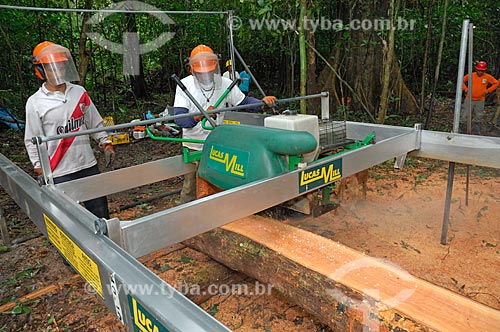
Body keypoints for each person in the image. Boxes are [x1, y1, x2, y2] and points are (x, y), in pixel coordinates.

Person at [173, 45, 276, 204]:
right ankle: (187, 219)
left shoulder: (225, 83)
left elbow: (244, 102)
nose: (206, 76)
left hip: (218, 143)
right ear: (192, 70)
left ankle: (219, 214)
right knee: (191, 187)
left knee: (219, 181)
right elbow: (180, 120)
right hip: (195, 145)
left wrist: (262, 104)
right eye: (201, 73)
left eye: (209, 72)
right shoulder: (184, 86)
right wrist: (200, 115)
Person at [24, 41, 114, 219]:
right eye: (52, 68)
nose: (58, 72)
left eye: (61, 66)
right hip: (59, 170)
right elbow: (32, 139)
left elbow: (94, 122)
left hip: (87, 164)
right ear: (40, 71)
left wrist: (105, 143)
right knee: (69, 220)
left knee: (100, 214)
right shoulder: (35, 103)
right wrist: (39, 168)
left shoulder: (79, 92)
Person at [461, 61, 499, 135]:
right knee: (465, 114)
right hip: (469, 98)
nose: (480, 72)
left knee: (479, 114)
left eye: (482, 70)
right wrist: (465, 88)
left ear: (485, 70)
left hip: (480, 99)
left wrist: (488, 90)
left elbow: (496, 83)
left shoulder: (487, 77)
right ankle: (462, 127)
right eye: (478, 70)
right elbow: (461, 80)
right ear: (476, 69)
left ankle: (476, 128)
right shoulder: (471, 75)